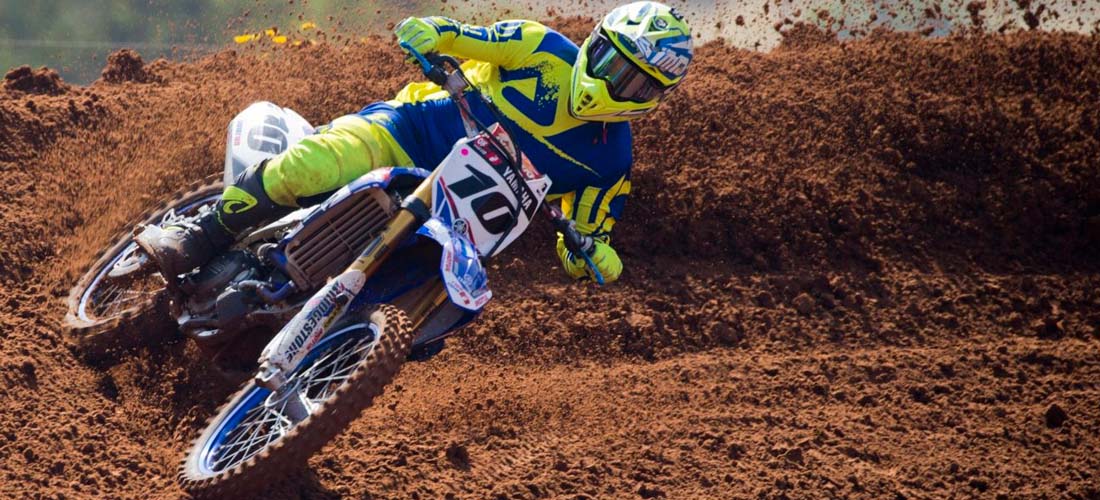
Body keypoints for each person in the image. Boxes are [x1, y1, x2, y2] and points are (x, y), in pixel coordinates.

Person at [137, 1, 694, 284]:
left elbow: (586, 240)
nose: (613, 82)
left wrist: (594, 256)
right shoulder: (541, 49)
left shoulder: (612, 161)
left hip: (454, 230)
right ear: (595, 42)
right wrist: (429, 32)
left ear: (655, 96)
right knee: (311, 168)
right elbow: (463, 36)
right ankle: (200, 234)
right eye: (610, 61)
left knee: (440, 316)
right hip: (407, 134)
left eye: (634, 82)